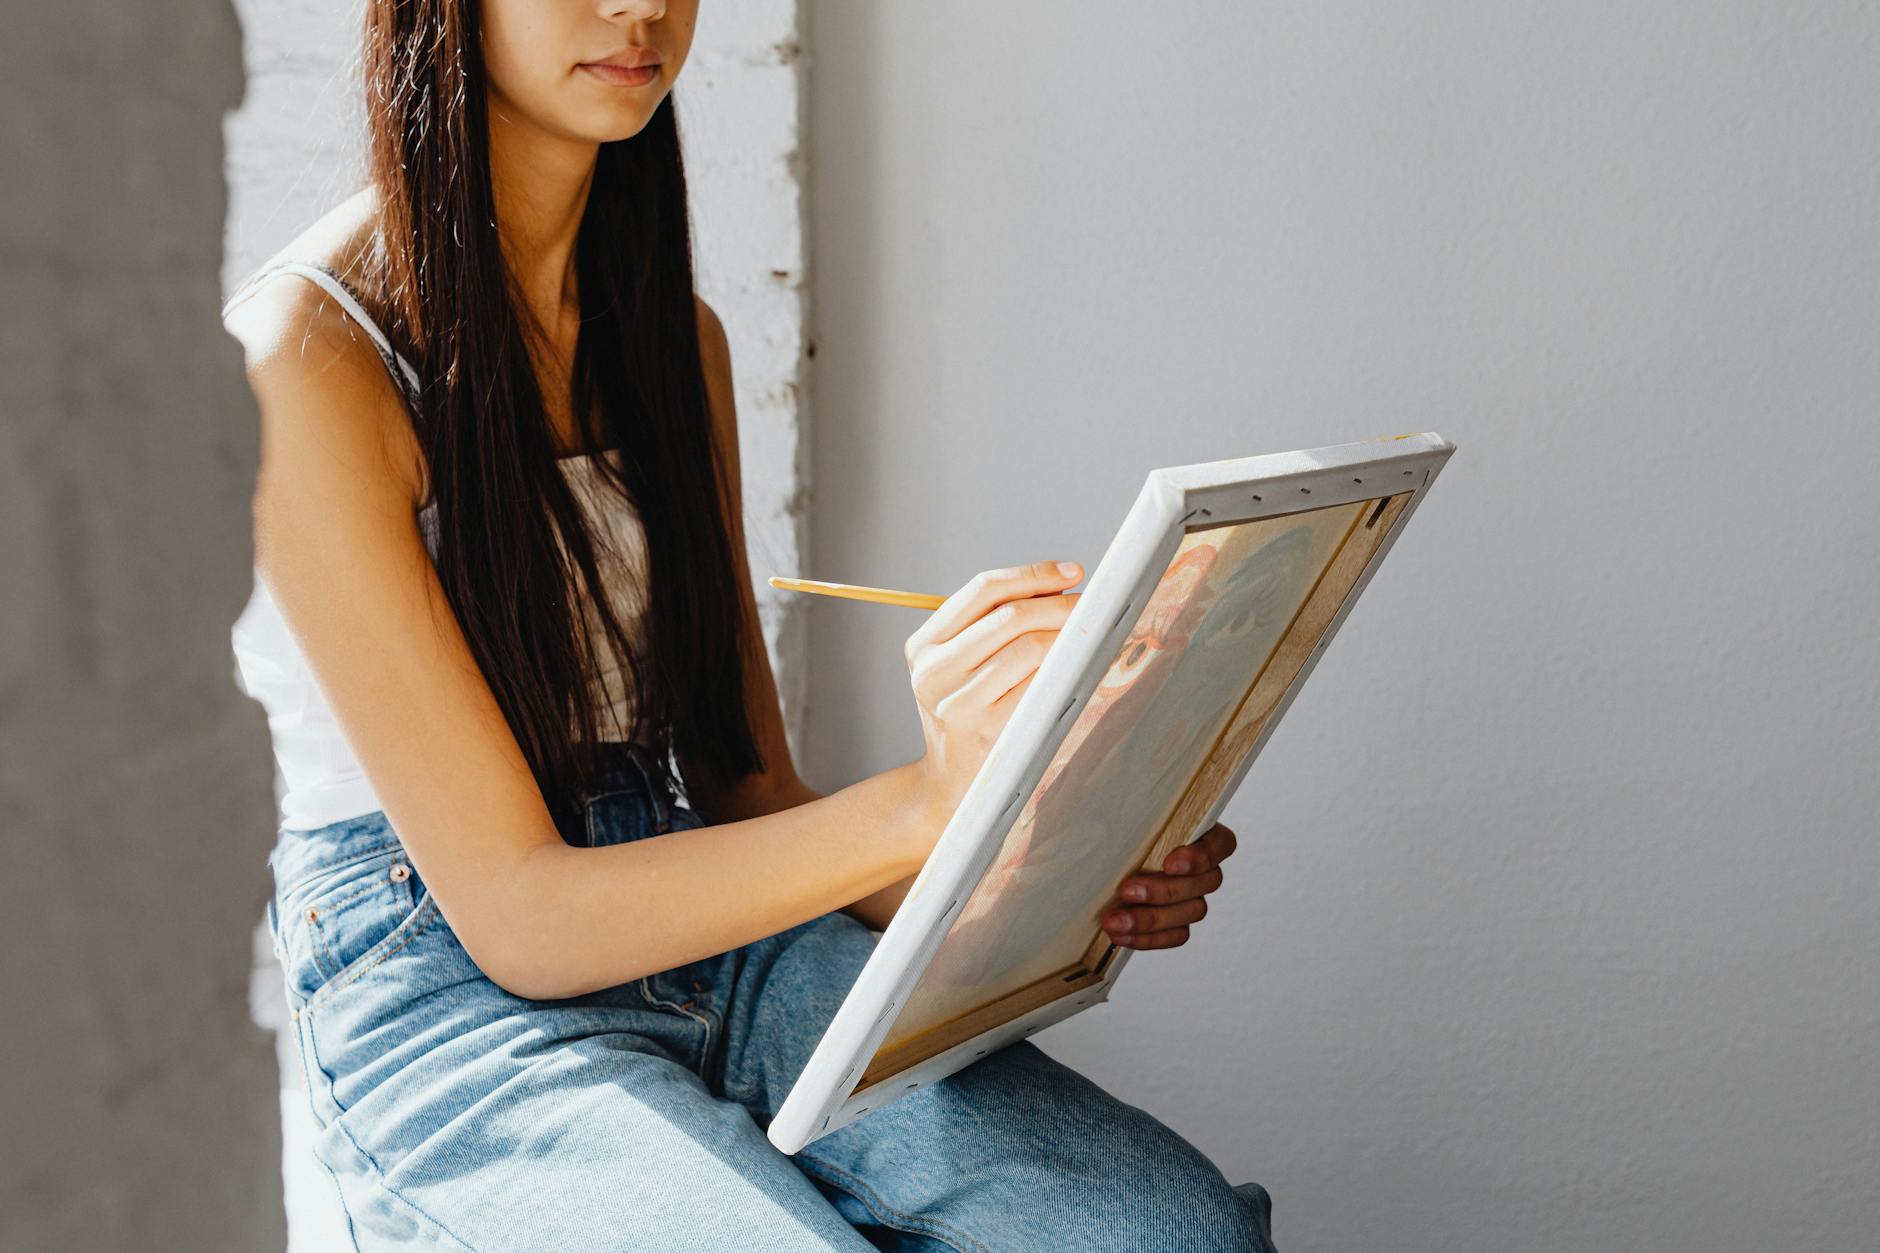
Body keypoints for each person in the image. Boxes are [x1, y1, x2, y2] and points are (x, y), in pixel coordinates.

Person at [220, 1, 1277, 1248]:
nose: (640, 8)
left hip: (717, 930)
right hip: (444, 975)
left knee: (1172, 1233)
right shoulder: (304, 356)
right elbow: (521, 914)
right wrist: (923, 801)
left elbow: (747, 790)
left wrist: (1042, 849)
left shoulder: (681, 340)